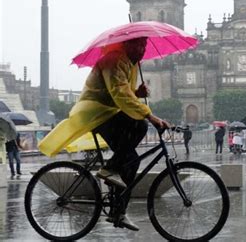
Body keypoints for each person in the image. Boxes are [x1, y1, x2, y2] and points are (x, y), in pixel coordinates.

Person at [39, 37, 170, 232]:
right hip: (94, 112)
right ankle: (109, 169)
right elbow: (119, 94)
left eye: (144, 45)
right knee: (141, 126)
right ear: (126, 44)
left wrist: (137, 93)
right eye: (138, 44)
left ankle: (119, 211)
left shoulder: (131, 64)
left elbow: (123, 92)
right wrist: (151, 116)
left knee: (130, 160)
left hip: (108, 112)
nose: (142, 49)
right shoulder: (114, 60)